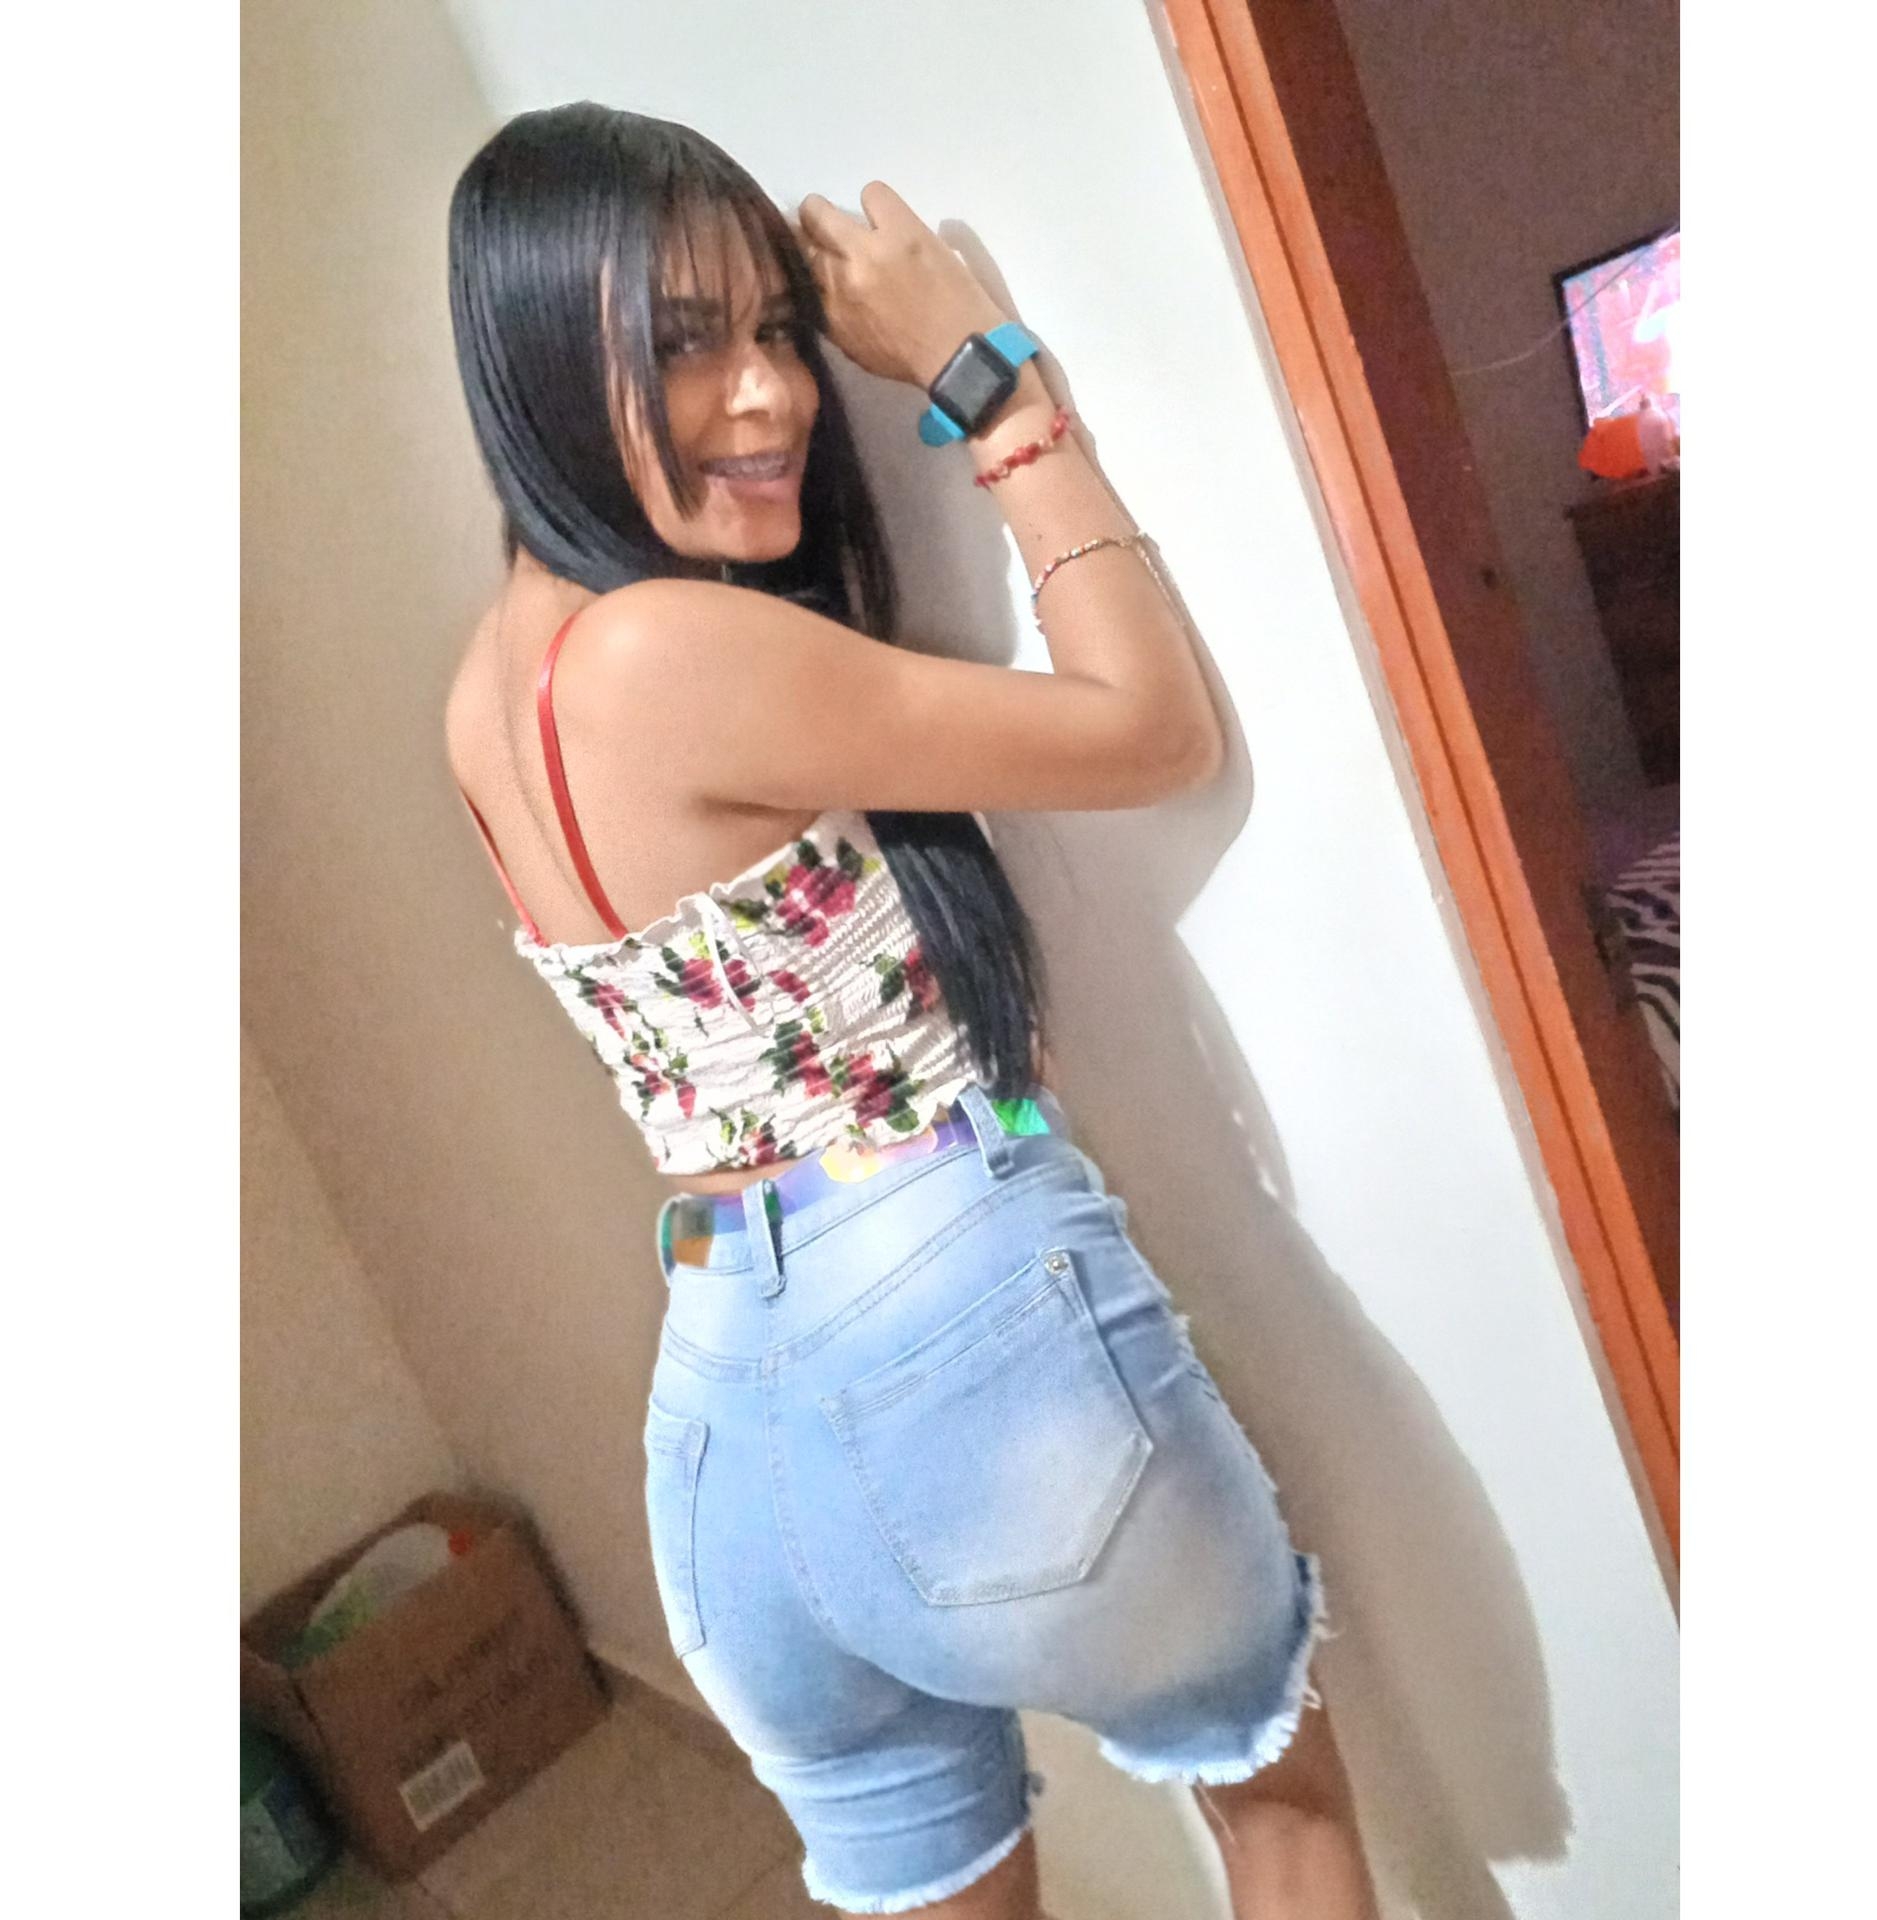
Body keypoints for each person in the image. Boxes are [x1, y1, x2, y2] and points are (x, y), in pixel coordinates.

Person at [443, 102, 1379, 1920]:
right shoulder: (669, 651)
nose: (770, 394)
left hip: (726, 1430)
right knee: (1283, 1808)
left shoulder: (491, 686)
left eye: (774, 328)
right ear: (541, 358)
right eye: (682, 342)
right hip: (956, 1344)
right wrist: (989, 382)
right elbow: (1151, 729)